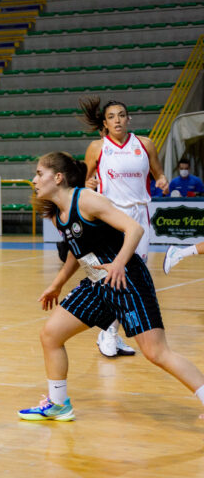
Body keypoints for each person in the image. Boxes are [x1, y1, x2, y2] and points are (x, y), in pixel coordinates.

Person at [18, 151, 204, 421]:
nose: (34, 179)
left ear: (57, 177)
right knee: (51, 335)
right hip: (97, 283)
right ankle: (59, 405)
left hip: (126, 278)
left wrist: (118, 263)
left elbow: (134, 229)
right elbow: (76, 251)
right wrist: (57, 284)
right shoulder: (59, 214)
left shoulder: (86, 199)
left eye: (39, 173)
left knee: (155, 352)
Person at [80, 96, 168, 358]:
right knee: (111, 273)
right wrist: (89, 184)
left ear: (129, 119)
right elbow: (86, 182)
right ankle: (109, 331)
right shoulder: (97, 148)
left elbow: (158, 173)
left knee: (131, 274)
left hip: (139, 217)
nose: (117, 120)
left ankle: (110, 331)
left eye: (121, 115)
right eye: (111, 117)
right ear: (105, 124)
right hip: (110, 215)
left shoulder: (145, 144)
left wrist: (162, 180)